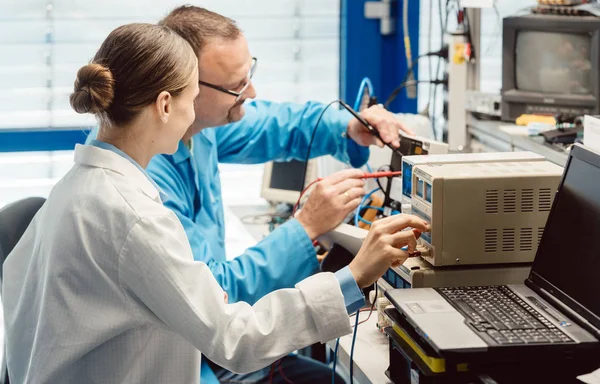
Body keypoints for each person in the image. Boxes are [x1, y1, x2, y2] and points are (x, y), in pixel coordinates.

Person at [2, 23, 429, 384]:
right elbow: (234, 339)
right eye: (191, 101)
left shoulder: (81, 184)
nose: (199, 122)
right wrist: (353, 277)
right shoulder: (134, 217)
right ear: (165, 105)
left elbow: (272, 123)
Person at [149, 7, 416, 382]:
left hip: (213, 344)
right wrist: (305, 226)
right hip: (196, 357)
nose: (251, 93)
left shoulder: (198, 129)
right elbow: (215, 296)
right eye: (237, 86)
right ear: (186, 89)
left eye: (249, 75)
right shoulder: (150, 178)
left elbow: (277, 124)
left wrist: (349, 125)